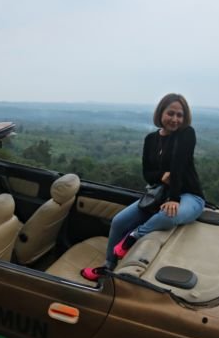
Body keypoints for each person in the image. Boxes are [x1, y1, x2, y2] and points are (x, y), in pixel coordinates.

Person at [81, 93, 205, 280]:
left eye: (180, 115)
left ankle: (133, 237)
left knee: (168, 215)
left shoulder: (186, 134)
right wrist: (162, 177)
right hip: (159, 195)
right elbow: (147, 174)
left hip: (189, 196)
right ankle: (108, 265)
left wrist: (174, 198)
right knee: (118, 221)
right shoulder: (150, 140)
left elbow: (178, 166)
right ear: (160, 113)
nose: (175, 119)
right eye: (170, 113)